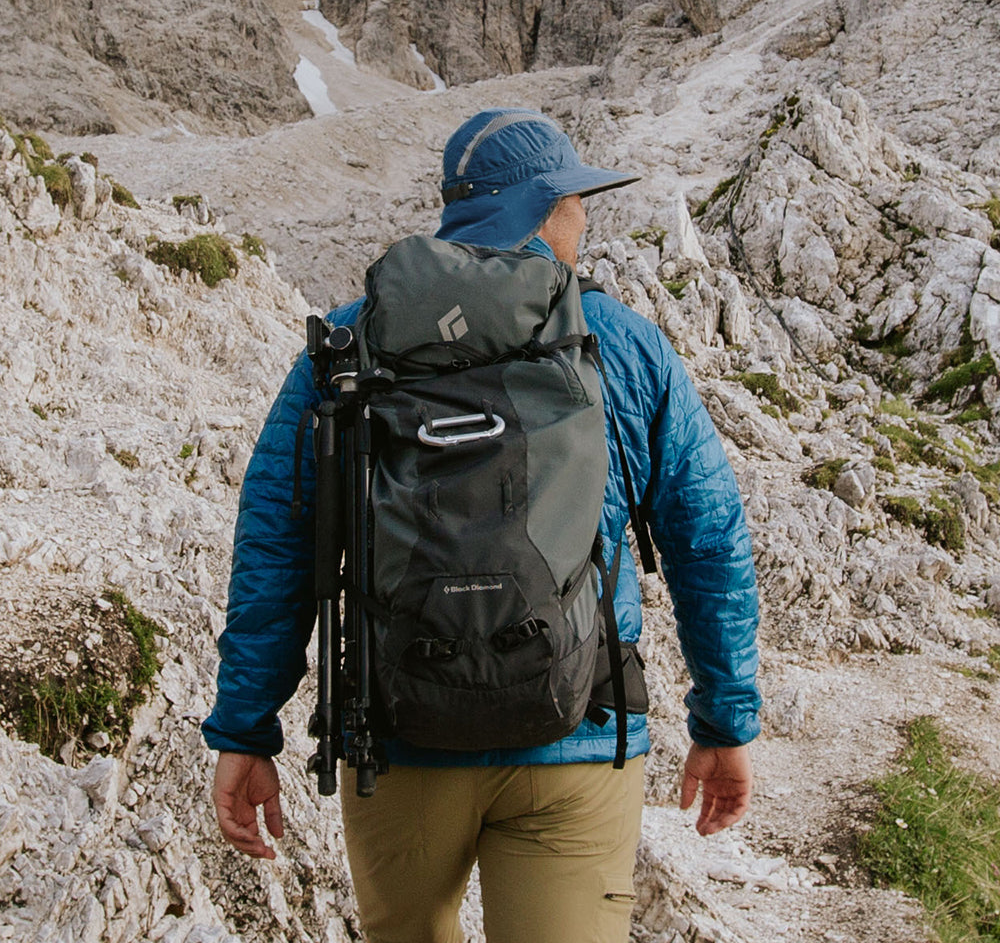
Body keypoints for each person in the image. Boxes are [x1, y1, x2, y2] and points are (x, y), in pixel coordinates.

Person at [204, 108, 761, 943]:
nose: (583, 217)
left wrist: (247, 727)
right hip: (579, 731)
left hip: (398, 735)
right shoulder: (621, 341)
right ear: (541, 207)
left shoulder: (352, 339)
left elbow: (279, 545)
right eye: (574, 201)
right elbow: (708, 539)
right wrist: (725, 720)